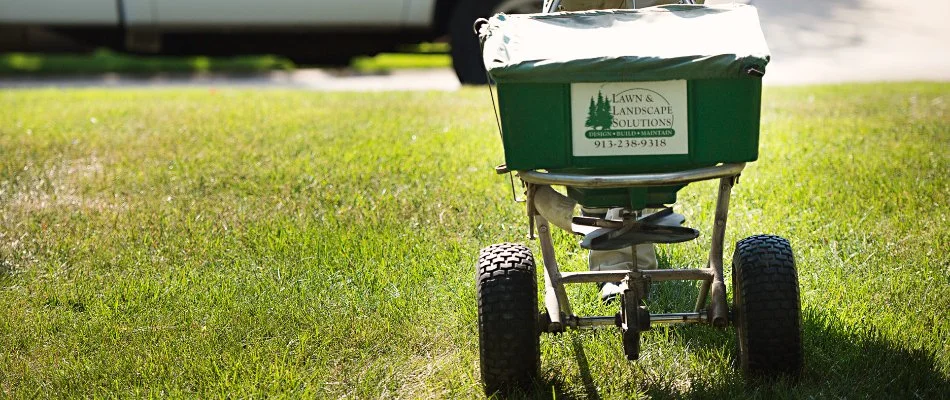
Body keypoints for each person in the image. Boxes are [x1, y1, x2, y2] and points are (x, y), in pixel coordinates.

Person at [534, 0, 704, 301]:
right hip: (587, 31)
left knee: (636, 145)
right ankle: (612, 249)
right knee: (599, 154)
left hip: (654, 31)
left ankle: (620, 244)